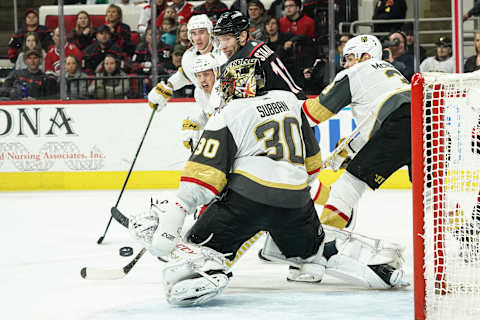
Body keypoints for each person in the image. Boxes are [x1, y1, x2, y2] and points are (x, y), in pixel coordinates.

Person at [129, 57, 408, 306]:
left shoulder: (227, 114)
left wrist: (167, 226)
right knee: (314, 249)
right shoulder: (288, 102)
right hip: (297, 205)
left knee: (197, 244)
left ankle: (206, 268)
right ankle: (375, 263)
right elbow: (312, 168)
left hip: (246, 204)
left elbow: (200, 183)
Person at [300, 34, 411, 233]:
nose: (346, 65)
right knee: (432, 195)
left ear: (366, 57)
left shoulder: (357, 72)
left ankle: (324, 248)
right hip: (427, 126)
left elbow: (313, 114)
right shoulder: (390, 71)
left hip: (398, 128)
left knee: (345, 188)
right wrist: (348, 149)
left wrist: (284, 109)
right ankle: (467, 232)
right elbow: (383, 127)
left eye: (350, 58)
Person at [213, 11, 304, 98]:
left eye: (226, 39)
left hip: (286, 106)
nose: (222, 47)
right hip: (295, 99)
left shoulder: (243, 60)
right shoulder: (256, 44)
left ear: (242, 36)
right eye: (220, 40)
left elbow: (230, 102)